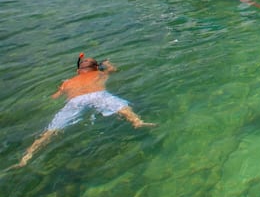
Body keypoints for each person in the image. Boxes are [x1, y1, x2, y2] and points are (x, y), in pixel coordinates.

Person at [11, 53, 155, 169]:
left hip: (75, 101)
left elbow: (55, 97)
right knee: (122, 107)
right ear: (96, 67)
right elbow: (114, 70)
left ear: (78, 70)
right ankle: (137, 122)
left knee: (52, 130)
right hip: (97, 94)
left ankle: (26, 157)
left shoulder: (67, 82)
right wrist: (107, 64)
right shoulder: (99, 74)